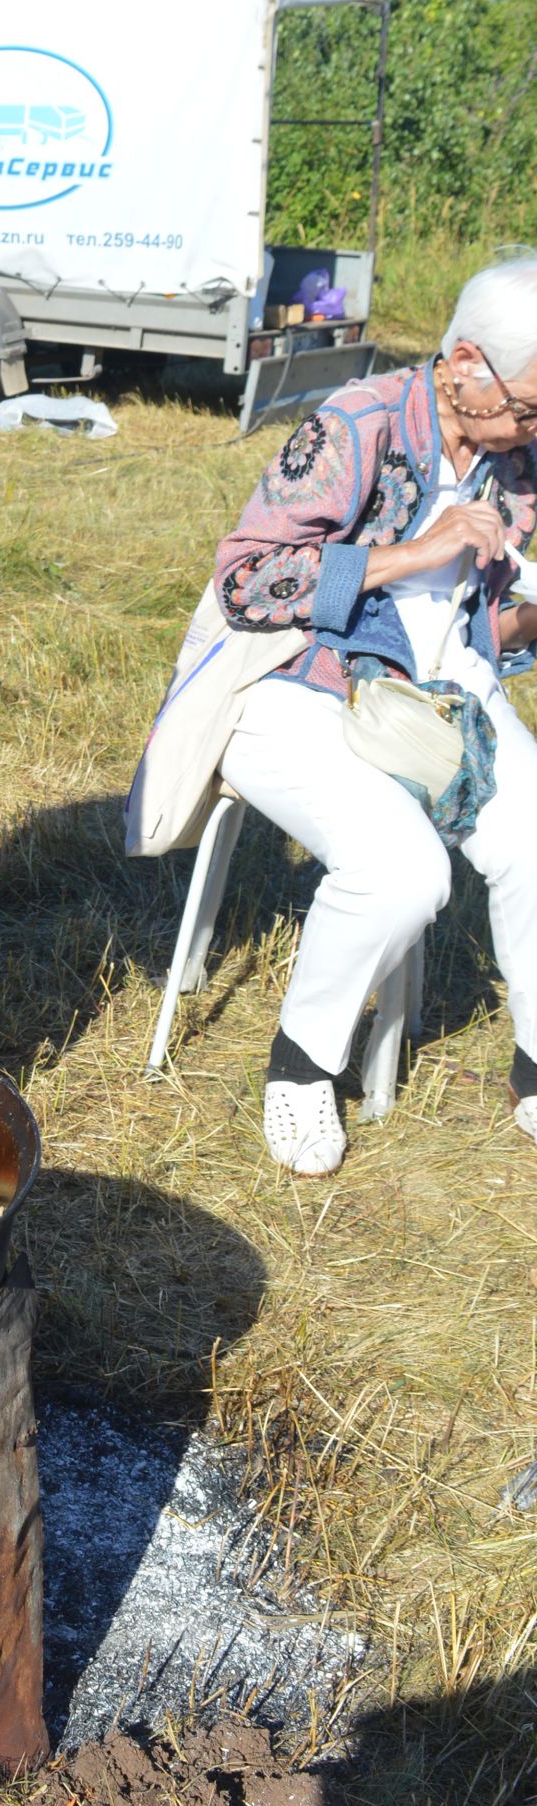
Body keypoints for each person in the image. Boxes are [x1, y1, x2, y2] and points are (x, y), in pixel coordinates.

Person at [210, 259, 537, 1176]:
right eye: (530, 408)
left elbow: (489, 628)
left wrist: (525, 619)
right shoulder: (360, 423)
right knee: (404, 872)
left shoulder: (516, 457)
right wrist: (409, 553)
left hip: (445, 694)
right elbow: (248, 583)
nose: (532, 431)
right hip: (308, 684)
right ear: (465, 363)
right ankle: (304, 1063)